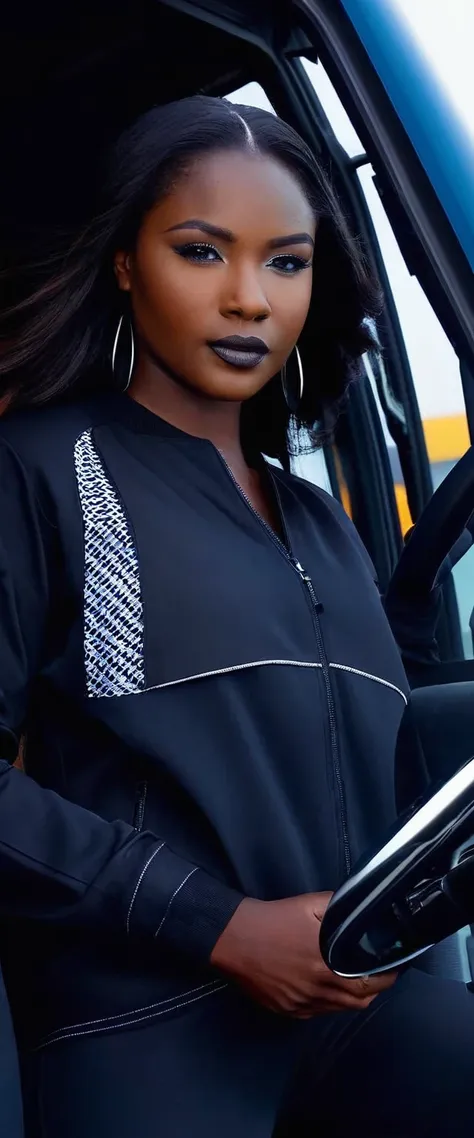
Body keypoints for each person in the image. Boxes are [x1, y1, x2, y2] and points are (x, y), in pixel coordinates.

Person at [0, 95, 473, 1138]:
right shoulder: (42, 469)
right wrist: (221, 928)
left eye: (286, 262)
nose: (249, 299)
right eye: (202, 251)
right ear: (126, 262)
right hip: (147, 1019)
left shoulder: (326, 525)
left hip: (361, 1018)